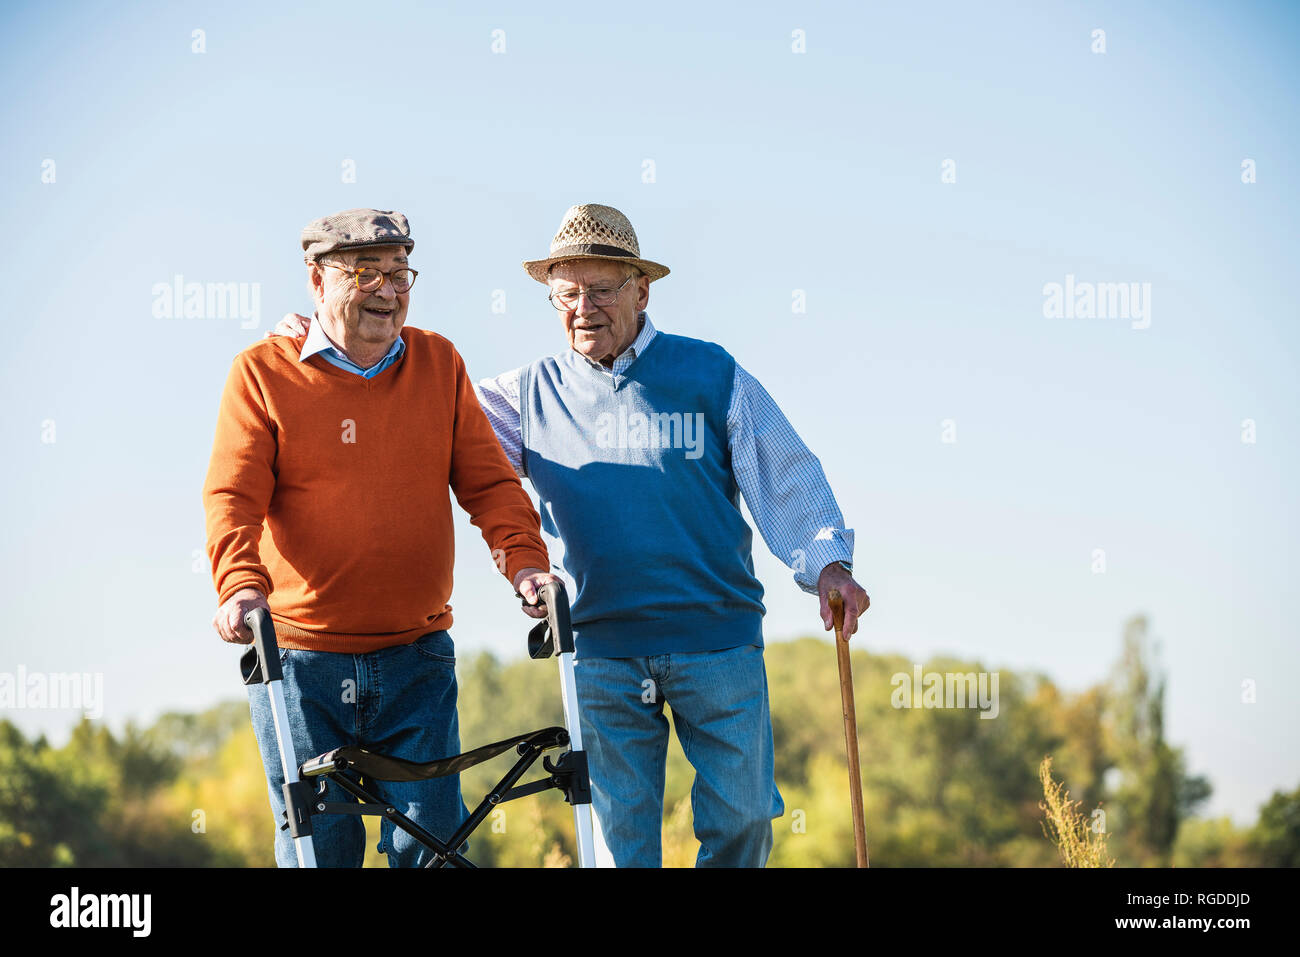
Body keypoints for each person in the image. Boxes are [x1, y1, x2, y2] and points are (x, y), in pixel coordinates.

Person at [275, 203, 869, 867]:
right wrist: (328, 335)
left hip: (717, 640)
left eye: (602, 290)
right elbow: (429, 417)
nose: (583, 308)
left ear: (642, 289)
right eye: (567, 293)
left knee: (745, 818)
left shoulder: (711, 373)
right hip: (601, 652)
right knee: (621, 846)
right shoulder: (523, 395)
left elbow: (785, 473)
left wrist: (828, 565)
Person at [203, 207, 555, 867]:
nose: (389, 291)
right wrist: (241, 585)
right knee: (321, 850)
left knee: (434, 849)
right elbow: (232, 495)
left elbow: (490, 485)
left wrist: (526, 566)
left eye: (400, 273)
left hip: (416, 661)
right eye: (367, 272)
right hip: (298, 665)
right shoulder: (261, 372)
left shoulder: (438, 362)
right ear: (317, 281)